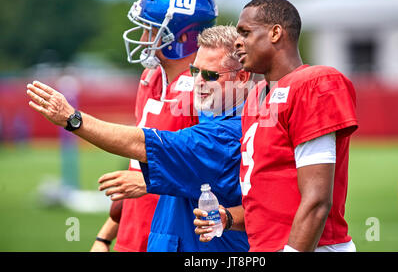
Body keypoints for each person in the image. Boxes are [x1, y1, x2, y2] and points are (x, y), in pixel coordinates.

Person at [26, 25, 251, 252]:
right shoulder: (207, 113)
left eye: (210, 75)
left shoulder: (226, 134)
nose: (199, 81)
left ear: (242, 77)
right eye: (195, 71)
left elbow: (144, 144)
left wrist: (72, 119)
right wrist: (105, 236)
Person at [194, 0, 358, 252]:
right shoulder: (256, 98)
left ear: (275, 33)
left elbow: (317, 200)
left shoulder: (312, 84)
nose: (237, 41)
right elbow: (268, 207)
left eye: (245, 32)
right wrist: (227, 218)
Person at [90, 0, 218, 252]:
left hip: (175, 237)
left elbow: (215, 174)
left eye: (151, 29)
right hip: (132, 234)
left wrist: (153, 182)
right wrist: (105, 236)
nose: (145, 38)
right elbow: (137, 169)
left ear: (182, 37)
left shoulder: (206, 90)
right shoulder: (151, 79)